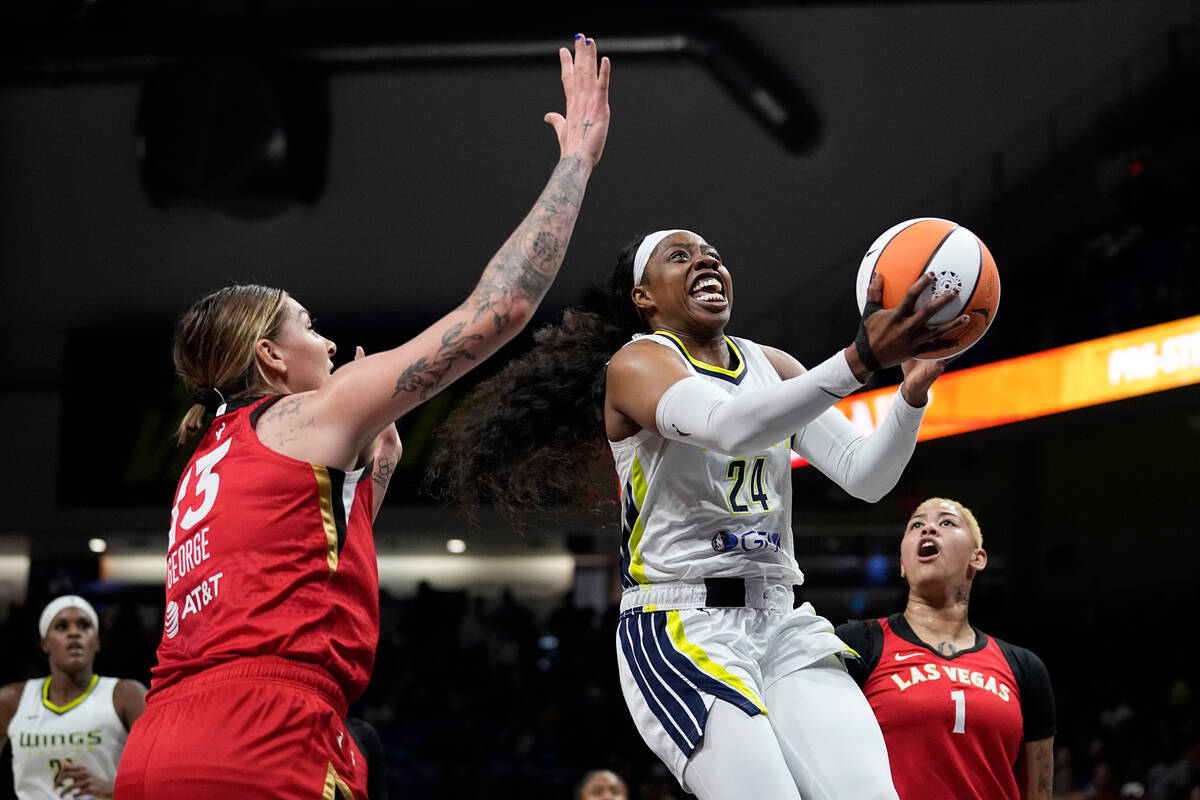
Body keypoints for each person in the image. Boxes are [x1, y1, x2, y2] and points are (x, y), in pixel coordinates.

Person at [113, 34, 610, 800]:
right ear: (270, 359)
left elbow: (325, 545)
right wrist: (575, 161)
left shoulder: (205, 460)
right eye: (309, 327)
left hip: (160, 744)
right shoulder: (308, 415)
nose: (331, 341)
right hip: (263, 734)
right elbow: (501, 309)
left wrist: (379, 441)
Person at [433, 228, 971, 798]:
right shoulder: (638, 363)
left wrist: (910, 399)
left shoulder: (773, 365)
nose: (706, 261)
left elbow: (865, 477)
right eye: (680, 256)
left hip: (780, 620)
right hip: (680, 626)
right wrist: (859, 359)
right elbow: (728, 429)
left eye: (713, 255)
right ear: (644, 297)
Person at [836, 497, 1056, 800]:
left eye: (946, 522)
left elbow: (1039, 792)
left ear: (977, 558)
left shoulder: (1024, 668)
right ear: (902, 564)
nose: (928, 529)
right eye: (916, 525)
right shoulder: (856, 643)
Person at [0, 595, 147, 800]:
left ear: (97, 641)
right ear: (45, 643)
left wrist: (113, 791)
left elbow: (162, 773)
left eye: (84, 625)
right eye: (61, 627)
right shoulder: (12, 700)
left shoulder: (126, 695)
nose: (74, 633)